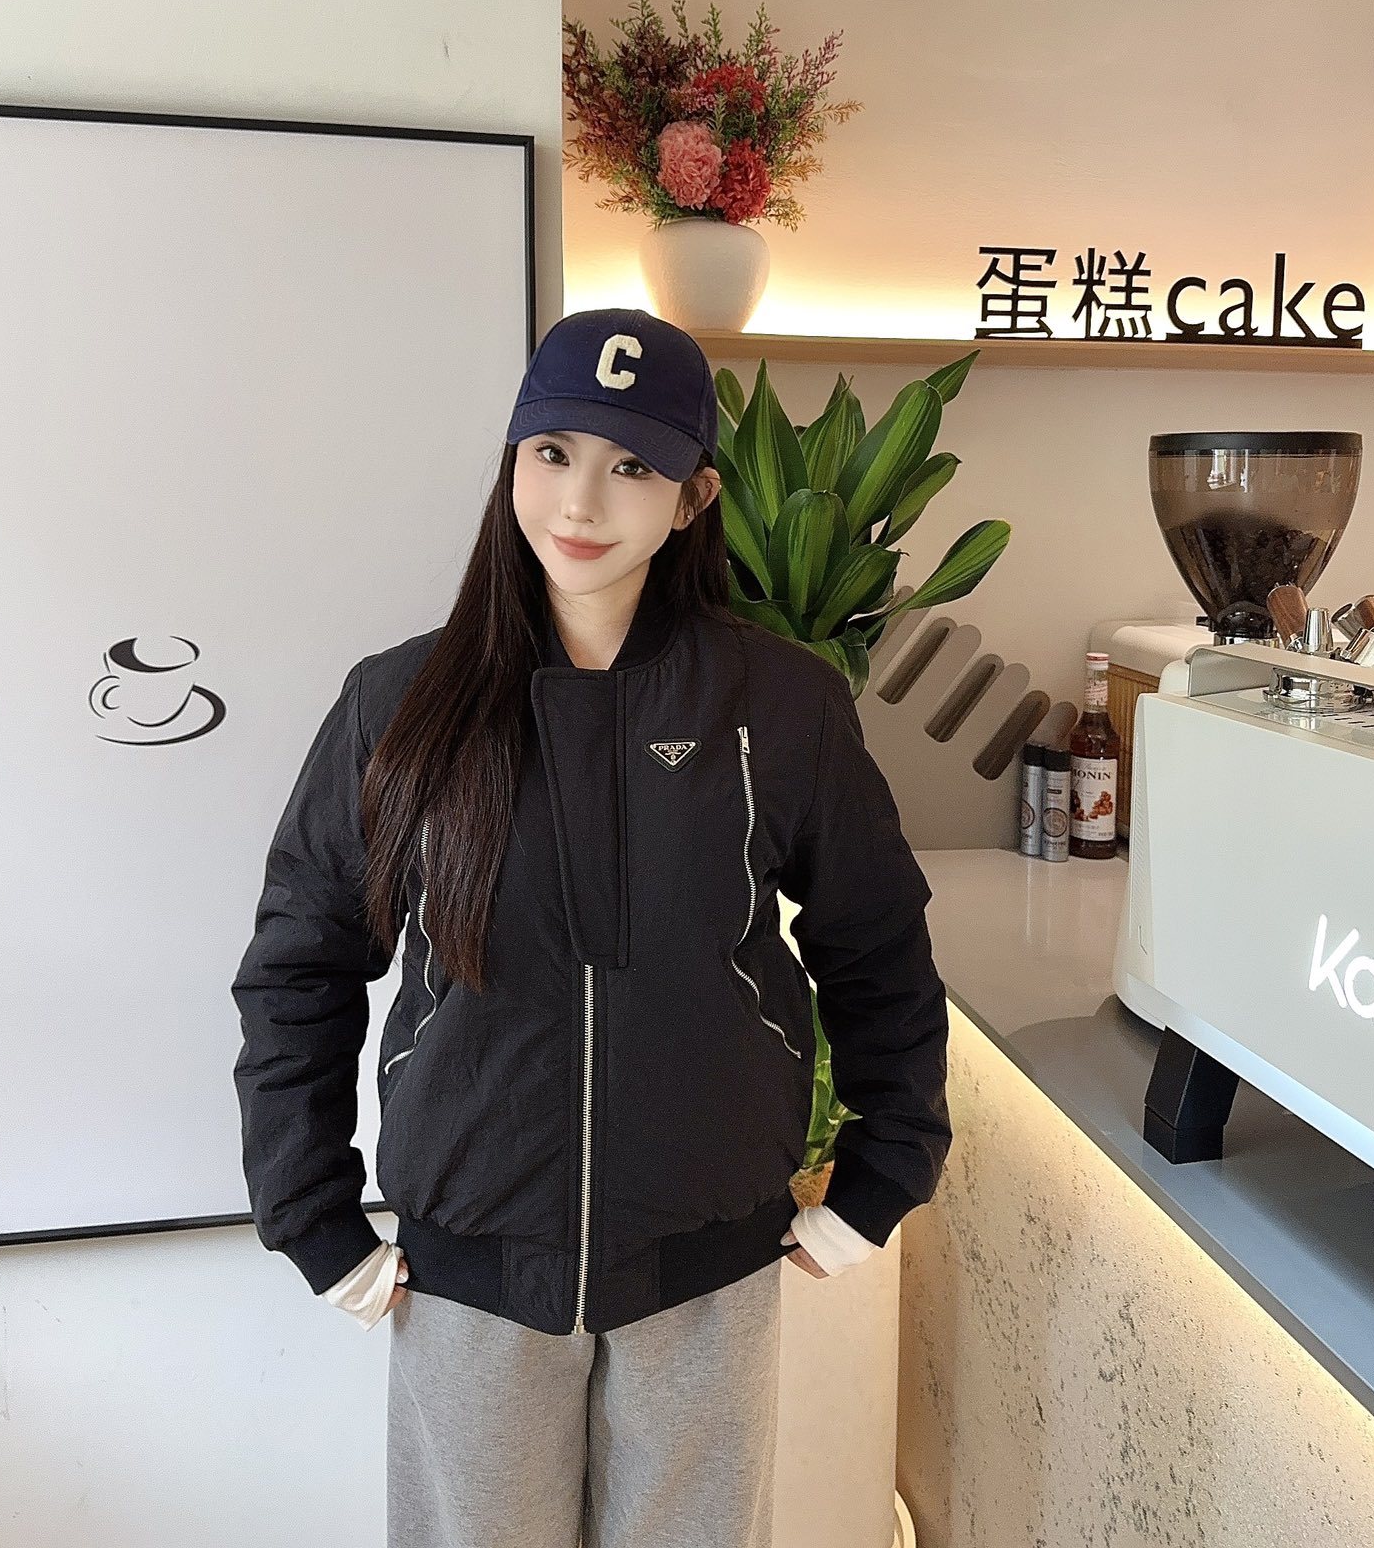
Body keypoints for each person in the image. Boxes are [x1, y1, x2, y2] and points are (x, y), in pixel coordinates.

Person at [231, 306, 953, 1548]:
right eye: (553, 451)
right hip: (470, 1278)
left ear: (691, 499)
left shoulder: (780, 704)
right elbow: (300, 964)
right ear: (513, 460)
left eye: (632, 466)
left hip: (706, 1274)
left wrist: (887, 1169)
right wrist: (310, 1211)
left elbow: (877, 939)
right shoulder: (399, 703)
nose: (582, 499)